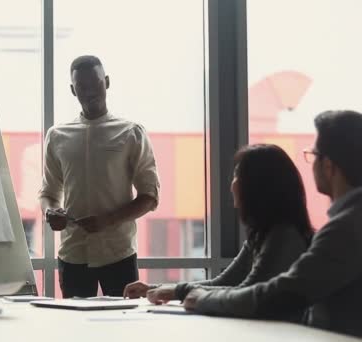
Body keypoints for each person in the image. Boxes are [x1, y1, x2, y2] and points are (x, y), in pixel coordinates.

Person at [184, 110, 362, 338]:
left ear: (328, 166)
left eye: (314, 155)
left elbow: (280, 294)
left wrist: (201, 298)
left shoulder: (346, 228)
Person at [124, 144, 313, 314]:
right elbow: (224, 283)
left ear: (259, 186)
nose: (232, 185)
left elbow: (246, 293)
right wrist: (155, 289)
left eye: (237, 176)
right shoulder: (262, 234)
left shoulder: (283, 236)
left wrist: (177, 292)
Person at [39, 55, 160, 298]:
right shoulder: (57, 136)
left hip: (118, 254)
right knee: (74, 331)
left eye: (95, 83)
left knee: (123, 330)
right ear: (73, 90)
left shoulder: (131, 133)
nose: (90, 91)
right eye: (82, 86)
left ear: (106, 82)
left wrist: (108, 220)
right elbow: (49, 194)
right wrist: (51, 212)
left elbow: (149, 197)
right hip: (73, 255)